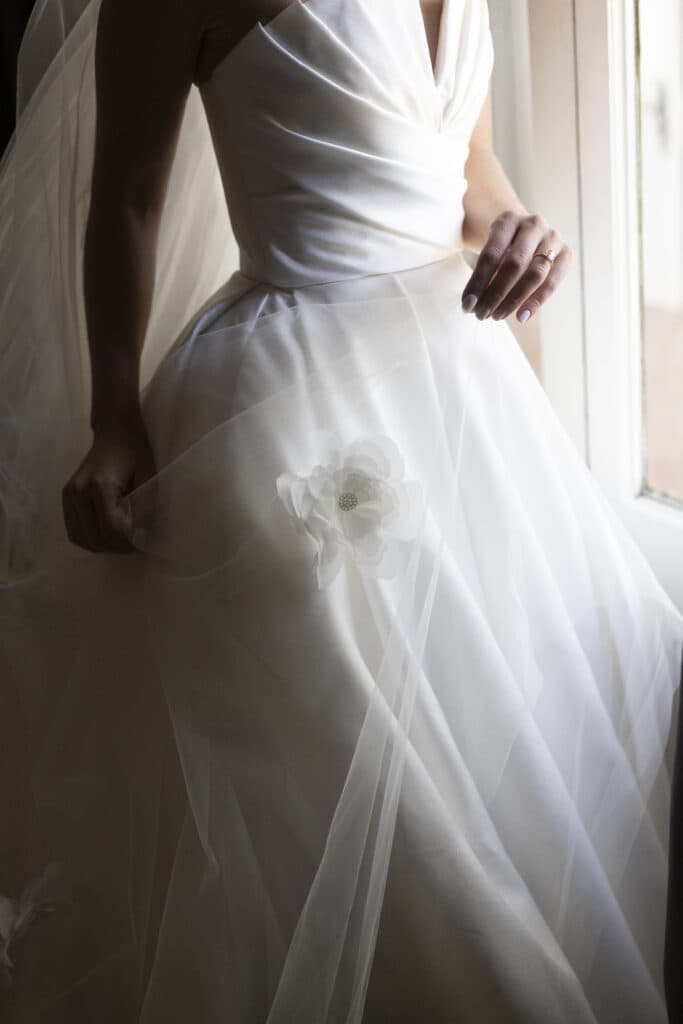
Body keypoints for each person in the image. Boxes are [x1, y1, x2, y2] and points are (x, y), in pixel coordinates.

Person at [1, 0, 681, 1020]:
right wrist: (113, 419)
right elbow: (127, 200)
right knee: (351, 764)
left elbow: (469, 165)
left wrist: (511, 228)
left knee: (526, 735)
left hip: (465, 400)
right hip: (288, 401)